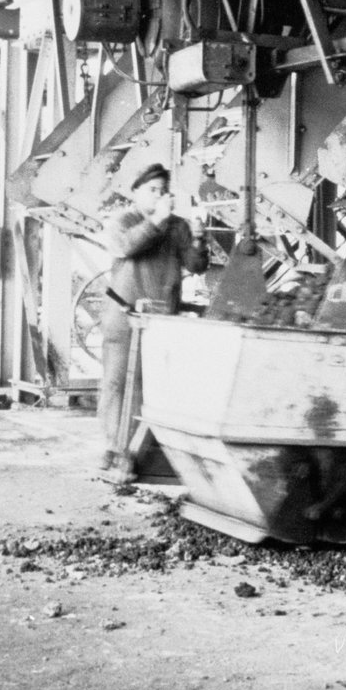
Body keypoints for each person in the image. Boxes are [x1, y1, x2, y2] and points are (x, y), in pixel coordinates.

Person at [99, 162, 207, 476]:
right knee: (118, 383)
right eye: (152, 190)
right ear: (135, 193)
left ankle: (142, 452)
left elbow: (196, 265)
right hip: (124, 317)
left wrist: (199, 239)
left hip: (162, 319)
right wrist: (158, 218)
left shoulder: (178, 227)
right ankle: (114, 448)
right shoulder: (122, 220)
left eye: (163, 190)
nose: (159, 196)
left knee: (153, 387)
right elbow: (126, 246)